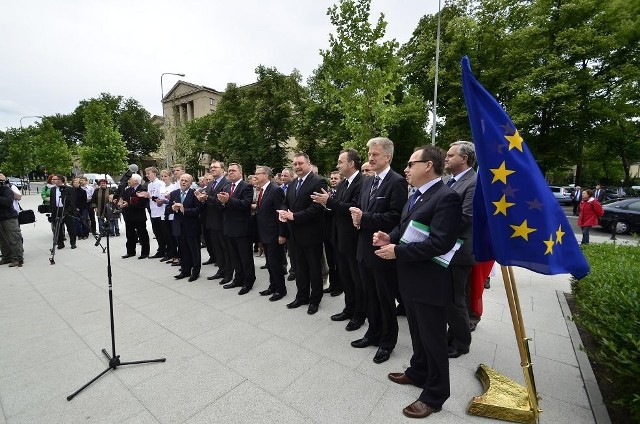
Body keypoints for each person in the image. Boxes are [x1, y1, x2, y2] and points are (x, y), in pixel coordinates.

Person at [376, 145, 462, 419]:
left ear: (428, 166)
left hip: (430, 283)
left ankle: (435, 395)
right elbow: (405, 227)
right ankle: (418, 371)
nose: (406, 168)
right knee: (416, 332)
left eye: (411, 163)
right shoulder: (417, 195)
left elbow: (441, 242)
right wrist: (389, 237)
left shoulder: (446, 197)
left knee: (434, 340)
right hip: (411, 280)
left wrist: (398, 251)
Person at [349, 137, 408, 364]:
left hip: (383, 250)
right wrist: (358, 219)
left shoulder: (397, 182)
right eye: (369, 154)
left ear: (388, 157)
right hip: (363, 249)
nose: (370, 158)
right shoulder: (367, 182)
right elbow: (363, 212)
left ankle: (387, 342)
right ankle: (373, 333)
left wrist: (365, 218)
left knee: (384, 299)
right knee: (369, 295)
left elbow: (396, 217)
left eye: (375, 154)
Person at [312, 149, 365, 331]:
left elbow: (353, 207)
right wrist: (326, 204)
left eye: (340, 161)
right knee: (346, 278)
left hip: (354, 240)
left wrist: (329, 202)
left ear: (351, 164)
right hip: (340, 239)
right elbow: (337, 208)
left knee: (357, 280)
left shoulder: (362, 182)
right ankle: (349, 309)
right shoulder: (343, 184)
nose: (337, 165)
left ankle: (359, 314)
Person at [279, 152, 328, 315]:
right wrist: (284, 212)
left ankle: (315, 300)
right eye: (295, 164)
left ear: (308, 163)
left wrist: (294, 216)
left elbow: (317, 208)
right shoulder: (293, 184)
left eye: (300, 163)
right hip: (294, 234)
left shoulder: (318, 181)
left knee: (314, 268)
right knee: (299, 267)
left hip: (311, 234)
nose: (297, 167)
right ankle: (302, 296)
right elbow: (286, 202)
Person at [443, 141, 476, 358]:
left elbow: (465, 218)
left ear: (464, 158)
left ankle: (462, 342)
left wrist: (434, 225)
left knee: (456, 299)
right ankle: (453, 334)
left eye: (450, 155)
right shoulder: (449, 181)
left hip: (459, 251)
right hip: (446, 248)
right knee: (447, 297)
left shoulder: (474, 182)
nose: (445, 158)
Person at [217, 163, 256, 294]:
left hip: (242, 228)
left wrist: (228, 200)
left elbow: (246, 205)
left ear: (240, 172)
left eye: (233, 170)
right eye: (229, 171)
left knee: (245, 257)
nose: (230, 172)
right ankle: (238, 279)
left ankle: (248, 282)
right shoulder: (226, 186)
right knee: (234, 257)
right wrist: (222, 202)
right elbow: (223, 206)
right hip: (229, 227)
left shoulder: (247, 186)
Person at [254, 165, 288, 301]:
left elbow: (281, 214)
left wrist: (282, 234)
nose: (255, 176)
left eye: (258, 173)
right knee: (269, 263)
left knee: (276, 263)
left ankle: (281, 289)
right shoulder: (262, 190)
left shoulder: (276, 190)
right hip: (264, 233)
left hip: (274, 234)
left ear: (266, 176)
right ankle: (272, 286)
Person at [201, 161, 232, 283]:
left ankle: (229, 273)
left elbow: (222, 203)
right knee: (217, 249)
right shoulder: (211, 184)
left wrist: (208, 198)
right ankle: (221, 270)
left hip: (222, 222)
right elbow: (208, 202)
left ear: (222, 170)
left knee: (226, 249)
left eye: (215, 167)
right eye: (211, 167)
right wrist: (202, 199)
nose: (212, 169)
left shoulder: (227, 183)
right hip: (211, 222)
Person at [170, 173, 204, 282]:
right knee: (183, 250)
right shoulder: (174, 193)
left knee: (194, 251)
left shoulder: (195, 194)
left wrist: (184, 210)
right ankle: (185, 270)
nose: (183, 182)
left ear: (190, 183)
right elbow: (167, 208)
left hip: (192, 227)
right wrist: (173, 208)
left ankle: (195, 272)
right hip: (179, 227)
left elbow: (198, 209)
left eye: (186, 181)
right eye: (182, 180)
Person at [118, 173, 150, 259]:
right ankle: (130, 251)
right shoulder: (128, 190)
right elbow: (124, 199)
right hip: (129, 216)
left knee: (142, 234)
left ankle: (145, 252)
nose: (129, 181)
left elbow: (142, 203)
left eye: (131, 179)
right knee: (130, 234)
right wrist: (122, 203)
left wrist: (128, 204)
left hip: (139, 216)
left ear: (136, 181)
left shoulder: (142, 189)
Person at [140, 167, 168, 259]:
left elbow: (160, 198)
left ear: (154, 174)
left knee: (163, 232)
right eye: (146, 174)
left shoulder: (160, 183)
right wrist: (144, 195)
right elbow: (150, 197)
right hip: (153, 211)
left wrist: (149, 196)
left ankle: (166, 250)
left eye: (149, 173)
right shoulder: (149, 185)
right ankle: (161, 249)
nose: (147, 175)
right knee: (157, 232)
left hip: (161, 211)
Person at [0, 174, 24, 266]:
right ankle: (6, 257)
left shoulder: (7, 190)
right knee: (2, 240)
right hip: (1, 218)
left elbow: (8, 202)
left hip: (9, 218)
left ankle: (18, 258)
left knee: (14, 238)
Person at [49, 174, 77, 250]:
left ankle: (73, 243)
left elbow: (72, 202)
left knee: (70, 227)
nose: (52, 180)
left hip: (67, 210)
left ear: (60, 180)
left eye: (54, 179)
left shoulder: (69, 189)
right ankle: (60, 243)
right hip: (57, 210)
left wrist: (68, 210)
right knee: (58, 228)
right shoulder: (53, 189)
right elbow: (52, 201)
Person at [280, 167, 296, 282]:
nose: (283, 178)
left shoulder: (294, 186)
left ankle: (294, 270)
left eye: (286, 175)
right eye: (282, 175)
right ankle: (286, 267)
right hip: (282, 219)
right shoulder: (279, 189)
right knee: (285, 248)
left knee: (293, 250)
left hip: (293, 220)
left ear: (291, 176)